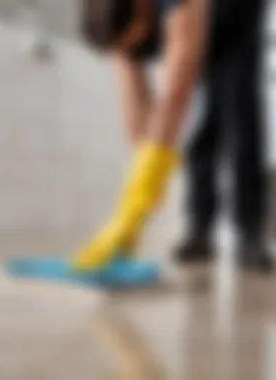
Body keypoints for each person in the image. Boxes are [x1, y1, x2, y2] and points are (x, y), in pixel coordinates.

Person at [71, 0, 208, 273]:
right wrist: (132, 206)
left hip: (233, 16)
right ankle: (200, 233)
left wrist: (146, 184)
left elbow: (178, 87)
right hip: (163, 16)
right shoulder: (110, 11)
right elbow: (132, 90)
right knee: (190, 136)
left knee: (231, 105)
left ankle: (247, 233)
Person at [174, 0, 275, 272]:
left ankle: (250, 233)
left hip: (239, 17)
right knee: (203, 128)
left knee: (243, 125)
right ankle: (200, 228)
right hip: (202, 19)